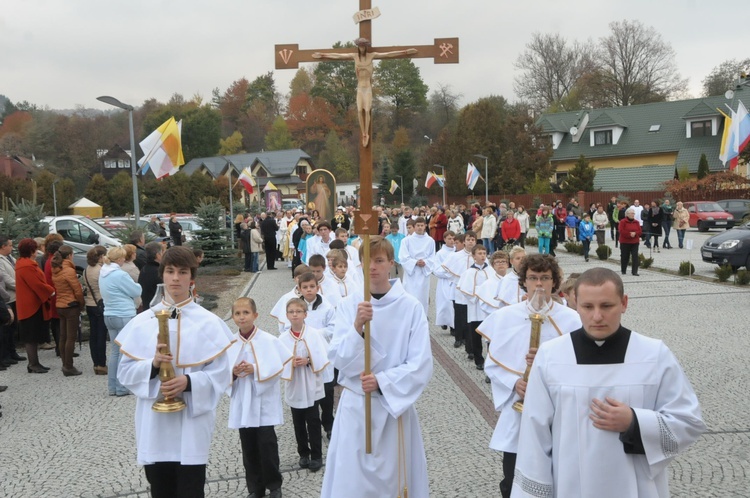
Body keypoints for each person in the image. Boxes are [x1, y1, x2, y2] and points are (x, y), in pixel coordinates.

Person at [512, 268, 706, 498]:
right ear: (574, 303)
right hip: (569, 484)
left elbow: (688, 421)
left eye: (606, 306)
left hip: (635, 484)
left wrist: (634, 422)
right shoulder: (551, 356)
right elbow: (534, 434)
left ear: (624, 303)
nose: (597, 316)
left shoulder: (653, 354)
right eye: (587, 307)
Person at [116, 246, 234, 498]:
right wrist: (153, 365)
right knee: (160, 489)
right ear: (163, 275)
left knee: (191, 490)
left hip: (191, 421)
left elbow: (222, 373)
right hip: (154, 424)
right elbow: (124, 372)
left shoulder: (209, 323)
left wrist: (188, 382)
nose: (176, 278)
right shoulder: (142, 322)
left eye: (183, 272)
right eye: (170, 271)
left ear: (192, 277)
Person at [321, 236, 433, 498]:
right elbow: (336, 356)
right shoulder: (349, 306)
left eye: (379, 260)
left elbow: (421, 363)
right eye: (367, 261)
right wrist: (357, 327)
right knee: (352, 479)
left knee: (393, 479)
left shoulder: (411, 307)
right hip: (356, 407)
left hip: (393, 408)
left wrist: (382, 382)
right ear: (359, 264)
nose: (373, 267)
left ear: (391, 263)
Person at [478, 254, 581, 497]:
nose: (538, 285)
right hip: (519, 413)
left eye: (545, 278)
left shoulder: (572, 320)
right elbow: (492, 365)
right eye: (532, 278)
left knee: (558, 475)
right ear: (523, 281)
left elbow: (582, 368)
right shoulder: (506, 317)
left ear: (554, 282)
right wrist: (516, 383)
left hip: (558, 412)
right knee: (513, 477)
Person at [227, 297, 291, 498]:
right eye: (237, 313)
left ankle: (274, 485)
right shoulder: (230, 343)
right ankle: (255, 487)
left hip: (263, 402)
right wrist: (234, 372)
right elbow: (221, 373)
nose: (242, 317)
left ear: (255, 315)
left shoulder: (268, 340)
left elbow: (277, 367)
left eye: (246, 313)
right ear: (232, 317)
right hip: (243, 402)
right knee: (249, 448)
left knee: (267, 445)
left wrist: (254, 369)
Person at [313, 38, 417, 146]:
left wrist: (405, 52)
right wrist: (323, 55)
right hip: (360, 88)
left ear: (366, 47)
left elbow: (388, 54)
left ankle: (366, 133)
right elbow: (338, 56)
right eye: (360, 46)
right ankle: (363, 133)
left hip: (367, 88)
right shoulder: (354, 57)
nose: (362, 48)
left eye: (364, 46)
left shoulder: (371, 56)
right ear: (358, 47)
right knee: (359, 111)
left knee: (367, 110)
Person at [279, 298, 328, 473]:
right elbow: (278, 362)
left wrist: (308, 360)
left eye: (298, 312)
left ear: (305, 314)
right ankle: (303, 453)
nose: (295, 315)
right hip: (294, 385)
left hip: (310, 384)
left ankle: (316, 455)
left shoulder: (314, 334)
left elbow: (324, 355)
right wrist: (289, 363)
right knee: (298, 422)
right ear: (286, 315)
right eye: (291, 312)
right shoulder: (282, 338)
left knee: (313, 421)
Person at [100, 247, 142, 396]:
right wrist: (138, 286)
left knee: (115, 352)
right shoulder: (120, 274)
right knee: (125, 352)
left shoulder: (103, 272)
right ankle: (122, 387)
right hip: (123, 314)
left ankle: (113, 387)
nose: (124, 260)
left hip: (109, 314)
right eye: (123, 258)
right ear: (118, 260)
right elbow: (136, 291)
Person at [15, 239, 55, 374]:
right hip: (30, 305)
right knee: (30, 336)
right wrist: (51, 291)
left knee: (32, 335)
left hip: (32, 303)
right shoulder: (26, 266)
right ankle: (33, 363)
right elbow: (36, 284)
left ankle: (34, 363)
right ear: (32, 251)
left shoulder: (25, 264)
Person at [51, 245, 85, 376]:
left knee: (63, 337)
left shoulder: (56, 268)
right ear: (70, 255)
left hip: (60, 304)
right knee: (71, 338)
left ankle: (64, 363)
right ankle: (68, 366)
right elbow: (77, 290)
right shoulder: (69, 270)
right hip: (71, 305)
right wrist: (81, 304)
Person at [458, 244, 490, 370]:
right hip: (475, 306)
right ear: (473, 256)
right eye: (479, 253)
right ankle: (479, 359)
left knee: (489, 335)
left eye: (484, 253)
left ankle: (490, 359)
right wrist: (479, 292)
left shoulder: (490, 271)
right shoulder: (469, 272)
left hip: (488, 308)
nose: (482, 256)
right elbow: (465, 289)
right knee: (476, 335)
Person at [398, 217, 436, 314]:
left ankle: (422, 316)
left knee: (423, 297)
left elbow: (432, 257)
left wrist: (425, 262)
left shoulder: (430, 241)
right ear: (414, 227)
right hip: (412, 273)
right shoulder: (406, 241)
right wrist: (415, 262)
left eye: (422, 225)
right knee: (410, 295)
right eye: (418, 225)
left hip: (423, 273)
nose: (420, 228)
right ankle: (409, 316)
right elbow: (403, 257)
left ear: (425, 226)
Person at [83, 246, 108, 375]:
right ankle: (102, 363)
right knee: (101, 335)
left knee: (93, 335)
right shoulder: (101, 270)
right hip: (100, 303)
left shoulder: (87, 269)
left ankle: (95, 363)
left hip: (90, 303)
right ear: (100, 257)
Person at [0, 236, 23, 367]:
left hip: (16, 296)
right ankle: (6, 355)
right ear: (3, 246)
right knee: (7, 327)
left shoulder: (11, 258)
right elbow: (6, 279)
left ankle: (13, 352)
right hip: (8, 296)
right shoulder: (0, 260)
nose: (12, 247)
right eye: (9, 245)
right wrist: (21, 285)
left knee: (14, 326)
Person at [433, 230, 456, 332]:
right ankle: (445, 321)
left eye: (453, 238)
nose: (451, 241)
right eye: (449, 239)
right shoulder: (440, 254)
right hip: (445, 282)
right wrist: (449, 273)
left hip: (456, 282)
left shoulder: (458, 252)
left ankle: (454, 326)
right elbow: (436, 269)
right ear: (444, 239)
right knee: (445, 303)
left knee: (454, 304)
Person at [619, 208, 642, 276]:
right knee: (625, 256)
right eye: (631, 213)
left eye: (633, 213)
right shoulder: (623, 221)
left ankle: (634, 271)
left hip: (635, 242)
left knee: (635, 256)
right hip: (625, 242)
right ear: (627, 214)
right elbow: (621, 231)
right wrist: (629, 234)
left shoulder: (636, 222)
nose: (633, 215)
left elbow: (640, 231)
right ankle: (623, 270)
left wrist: (635, 233)